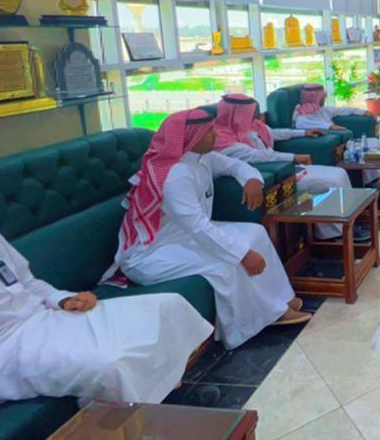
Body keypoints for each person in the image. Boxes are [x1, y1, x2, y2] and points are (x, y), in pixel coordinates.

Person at [0, 172, 213, 418]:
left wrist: (61, 298)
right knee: (108, 367)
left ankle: (164, 397)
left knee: (168, 306)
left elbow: (25, 281)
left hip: (42, 320)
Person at [105, 109, 310, 350]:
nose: (215, 134)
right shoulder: (175, 175)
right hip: (151, 252)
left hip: (184, 236)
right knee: (228, 262)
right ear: (190, 137)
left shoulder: (200, 157)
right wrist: (243, 254)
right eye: (208, 131)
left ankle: (280, 299)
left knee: (255, 233)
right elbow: (198, 227)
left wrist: (252, 180)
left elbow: (236, 165)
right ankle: (258, 320)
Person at [214, 94, 368, 243]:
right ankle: (335, 234)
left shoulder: (252, 126)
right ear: (236, 114)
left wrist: (304, 132)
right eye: (248, 113)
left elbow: (274, 133)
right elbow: (255, 155)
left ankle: (350, 222)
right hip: (277, 175)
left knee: (339, 173)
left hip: (286, 167)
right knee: (329, 183)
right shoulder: (223, 140)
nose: (253, 116)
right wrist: (293, 157)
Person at [292, 83, 373, 132]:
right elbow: (302, 124)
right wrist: (330, 126)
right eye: (322, 95)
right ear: (315, 97)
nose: (325, 97)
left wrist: (363, 112)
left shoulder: (323, 109)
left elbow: (342, 110)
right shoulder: (303, 115)